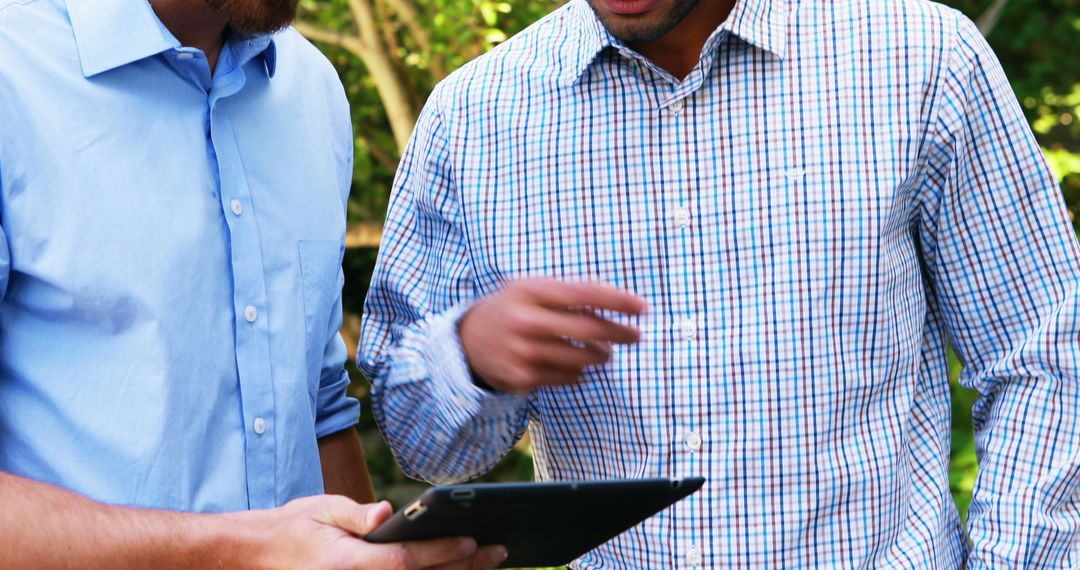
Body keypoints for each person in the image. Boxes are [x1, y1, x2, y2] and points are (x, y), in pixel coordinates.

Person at [359, 0, 1080, 566]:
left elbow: (1046, 358)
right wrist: (468, 358)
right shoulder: (470, 120)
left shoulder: (923, 58)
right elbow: (423, 453)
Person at [0, 0, 506, 568]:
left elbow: (315, 405)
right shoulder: (12, 68)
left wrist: (379, 556)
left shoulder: (312, 89)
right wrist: (245, 549)